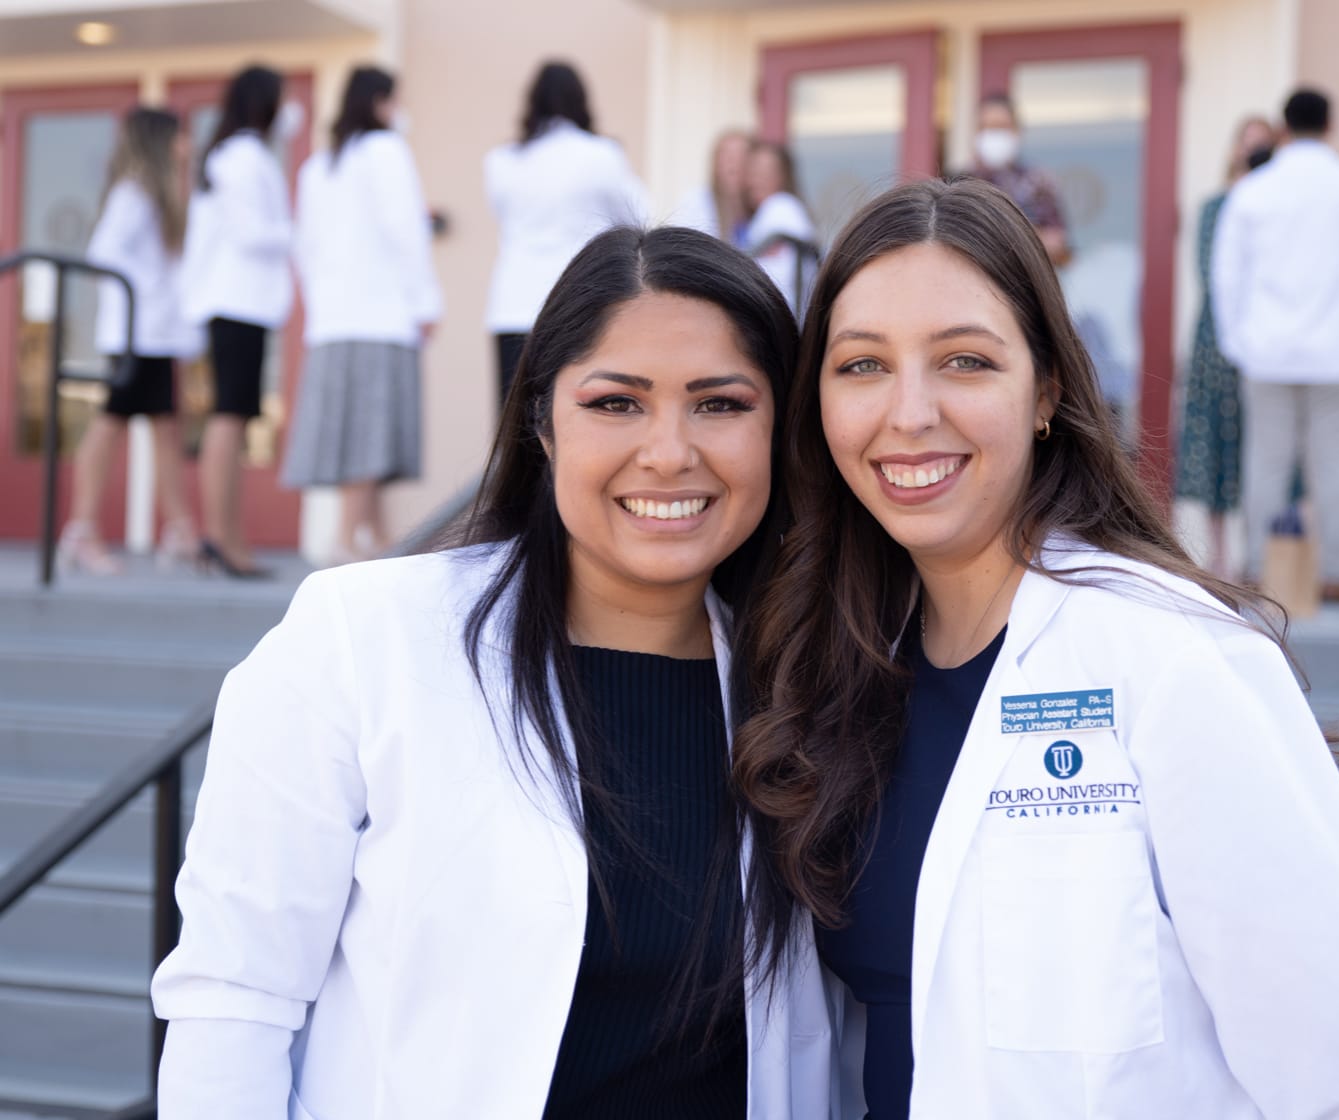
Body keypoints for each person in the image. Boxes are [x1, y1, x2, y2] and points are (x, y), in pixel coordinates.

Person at [733, 178, 1339, 1118]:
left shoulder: (1172, 659)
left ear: (1047, 391)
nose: (908, 413)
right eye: (863, 366)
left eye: (964, 361)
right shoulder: (832, 668)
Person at [150, 225, 837, 1118]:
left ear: (779, 429)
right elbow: (233, 996)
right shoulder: (366, 639)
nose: (670, 451)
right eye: (616, 403)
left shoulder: (808, 683)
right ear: (542, 422)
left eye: (720, 403)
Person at [1211, 87, 1339, 603]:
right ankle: (1336, 574)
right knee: (1337, 467)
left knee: (1266, 464)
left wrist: (1238, 344)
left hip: (1268, 352)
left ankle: (1258, 568)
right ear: (1332, 124)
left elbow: (1225, 276)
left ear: (1284, 126)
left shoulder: (1253, 191)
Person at [281, 66, 441, 563]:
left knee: (355, 430)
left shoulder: (319, 166)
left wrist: (318, 304)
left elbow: (303, 247)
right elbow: (405, 232)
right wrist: (425, 301)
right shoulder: (386, 152)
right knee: (371, 434)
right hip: (381, 315)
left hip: (334, 320)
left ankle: (378, 538)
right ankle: (347, 539)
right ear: (379, 102)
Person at [59, 107, 204, 575]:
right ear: (161, 140)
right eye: (179, 135)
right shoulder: (135, 192)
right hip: (135, 336)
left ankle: (180, 528)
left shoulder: (158, 194)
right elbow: (104, 253)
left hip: (155, 335)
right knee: (110, 425)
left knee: (166, 430)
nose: (187, 144)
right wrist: (146, 294)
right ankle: (81, 530)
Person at [179, 64, 294, 579]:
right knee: (230, 416)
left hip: (239, 304)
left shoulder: (230, 154)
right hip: (238, 303)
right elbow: (254, 233)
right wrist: (302, 231)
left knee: (233, 415)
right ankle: (223, 540)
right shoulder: (244, 158)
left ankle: (223, 538)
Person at [485, 61, 649, 407]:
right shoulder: (601, 155)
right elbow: (639, 216)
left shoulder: (501, 161)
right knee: (578, 415)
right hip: (578, 303)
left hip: (512, 303)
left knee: (517, 423)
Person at [1173, 115, 1277, 578]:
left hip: (1269, 340)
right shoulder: (1216, 208)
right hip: (1215, 338)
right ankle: (1220, 555)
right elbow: (1207, 271)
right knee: (1214, 441)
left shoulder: (1280, 210)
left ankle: (1263, 553)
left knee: (1263, 446)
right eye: (1247, 143)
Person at [967, 92, 1071, 267]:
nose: (994, 134)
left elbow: (1058, 247)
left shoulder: (1038, 181)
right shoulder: (960, 182)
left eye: (1001, 127)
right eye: (987, 127)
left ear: (1016, 130)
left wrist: (1000, 234)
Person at [741, 140, 815, 314]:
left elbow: (786, 277)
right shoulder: (765, 214)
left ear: (782, 176)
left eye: (765, 173)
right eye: (753, 172)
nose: (756, 180)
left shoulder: (781, 207)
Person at [675, 129, 752, 242]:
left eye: (742, 156)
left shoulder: (759, 208)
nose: (735, 164)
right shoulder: (695, 202)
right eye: (728, 157)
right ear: (715, 163)